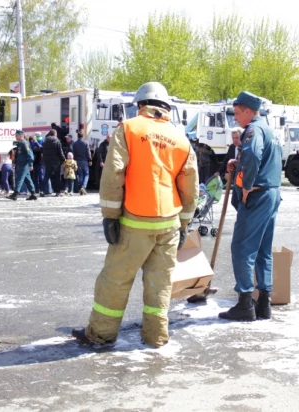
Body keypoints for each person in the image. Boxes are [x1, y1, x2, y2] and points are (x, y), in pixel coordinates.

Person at [72, 82, 198, 348]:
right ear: (166, 108)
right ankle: (156, 336)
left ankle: (101, 334)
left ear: (140, 105)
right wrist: (185, 222)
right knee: (160, 283)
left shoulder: (129, 129)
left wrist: (109, 215)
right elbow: (190, 186)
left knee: (115, 280)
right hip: (169, 223)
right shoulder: (180, 138)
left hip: (135, 220)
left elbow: (113, 173)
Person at [219, 91, 282, 322]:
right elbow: (261, 158)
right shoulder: (268, 129)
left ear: (247, 111)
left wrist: (246, 185)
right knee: (263, 250)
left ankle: (245, 303)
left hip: (257, 195)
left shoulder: (253, 130)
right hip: (272, 193)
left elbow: (254, 154)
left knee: (242, 248)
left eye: (237, 113)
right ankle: (263, 303)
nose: (235, 118)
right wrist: (240, 162)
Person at [7, 130, 38, 201]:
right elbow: (17, 154)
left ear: (21, 135)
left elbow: (30, 154)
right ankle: (33, 194)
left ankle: (15, 194)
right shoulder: (20, 144)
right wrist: (14, 162)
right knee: (27, 180)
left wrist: (31, 164)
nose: (15, 136)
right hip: (20, 164)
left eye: (17, 135)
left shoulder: (25, 143)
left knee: (19, 179)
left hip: (24, 164)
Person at [41, 129, 65, 196]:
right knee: (57, 177)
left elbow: (43, 152)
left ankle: (42, 190)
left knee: (46, 176)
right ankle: (57, 192)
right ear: (55, 134)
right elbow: (60, 152)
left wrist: (44, 160)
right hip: (56, 162)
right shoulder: (57, 141)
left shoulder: (45, 141)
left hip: (47, 162)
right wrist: (63, 159)